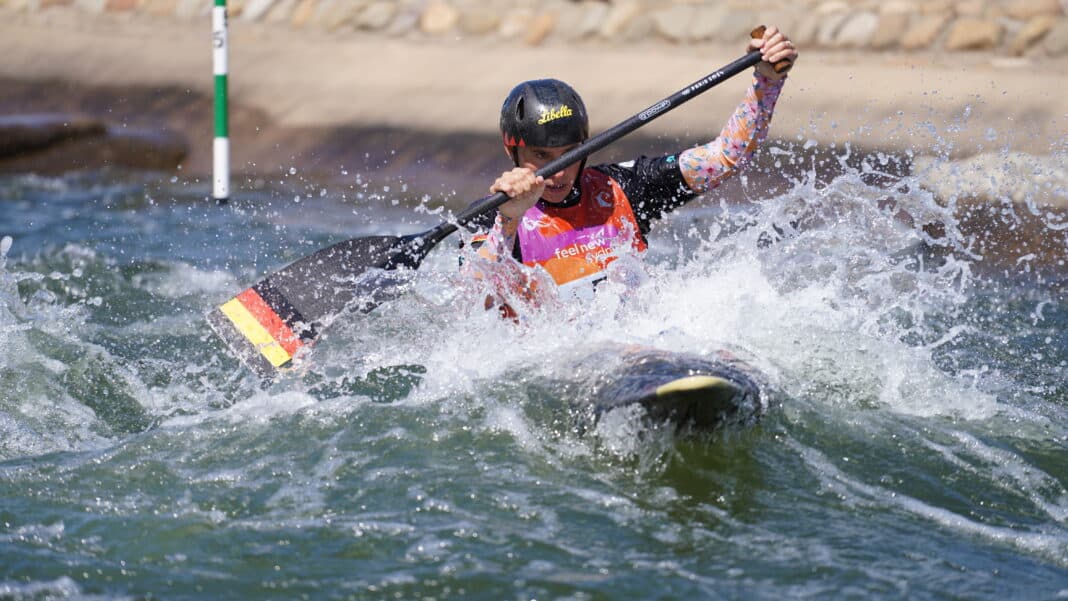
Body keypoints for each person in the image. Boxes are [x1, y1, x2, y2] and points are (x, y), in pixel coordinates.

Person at [466, 26, 798, 317]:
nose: (558, 173)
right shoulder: (492, 216)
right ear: (511, 150)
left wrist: (767, 81)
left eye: (570, 154)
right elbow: (473, 300)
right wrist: (509, 219)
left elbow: (726, 157)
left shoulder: (622, 188)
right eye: (541, 156)